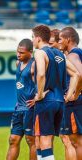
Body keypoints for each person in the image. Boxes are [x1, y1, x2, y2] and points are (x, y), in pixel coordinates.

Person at [32, 25, 79, 160]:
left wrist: (40, 94)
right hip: (59, 102)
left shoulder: (40, 53)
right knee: (44, 140)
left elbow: (41, 74)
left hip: (46, 101)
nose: (32, 41)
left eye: (33, 38)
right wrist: (69, 96)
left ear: (38, 38)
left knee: (44, 140)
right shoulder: (60, 54)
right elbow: (75, 74)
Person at [6, 39, 36, 160]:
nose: (18, 55)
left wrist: (37, 97)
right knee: (13, 139)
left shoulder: (34, 65)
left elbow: (44, 82)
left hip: (30, 109)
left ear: (30, 52)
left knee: (31, 140)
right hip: (18, 108)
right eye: (17, 52)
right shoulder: (18, 63)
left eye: (22, 53)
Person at [50, 28, 77, 160]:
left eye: (52, 42)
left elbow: (78, 75)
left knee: (68, 140)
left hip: (66, 102)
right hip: (64, 101)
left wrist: (73, 93)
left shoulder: (65, 57)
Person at [59, 26, 82, 160]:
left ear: (68, 39)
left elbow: (80, 75)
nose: (59, 42)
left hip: (75, 103)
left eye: (61, 39)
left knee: (75, 141)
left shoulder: (72, 55)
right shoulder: (78, 53)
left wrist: (75, 93)